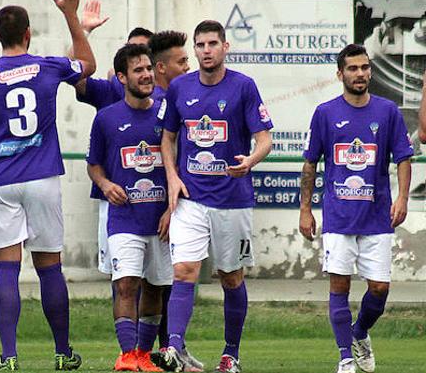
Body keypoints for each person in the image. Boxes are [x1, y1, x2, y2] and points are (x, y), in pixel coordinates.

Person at [0, 0, 96, 370]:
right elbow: (87, 65)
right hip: (42, 177)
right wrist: (71, 16)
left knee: (6, 270)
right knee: (49, 268)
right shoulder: (48, 65)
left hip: (0, 181)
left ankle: (9, 356)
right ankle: (62, 352)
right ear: (28, 34)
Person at [159, 20, 272, 373]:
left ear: (225, 47)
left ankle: (230, 354)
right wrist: (173, 178)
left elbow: (265, 138)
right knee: (184, 271)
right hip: (191, 198)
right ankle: (173, 349)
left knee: (231, 277)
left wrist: (251, 160)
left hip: (232, 199)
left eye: (212, 43)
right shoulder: (179, 88)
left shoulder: (244, 87)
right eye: (200, 45)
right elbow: (167, 138)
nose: (206, 50)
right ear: (194, 50)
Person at [299, 44, 413, 373]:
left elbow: (403, 157)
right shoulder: (325, 113)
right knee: (339, 286)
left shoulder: (388, 111)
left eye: (364, 67)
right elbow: (310, 164)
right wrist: (305, 209)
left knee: (379, 289)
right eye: (352, 68)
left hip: (377, 216)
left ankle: (360, 333)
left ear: (370, 71)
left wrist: (402, 197)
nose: (360, 73)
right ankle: (345, 358)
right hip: (338, 217)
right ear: (340, 74)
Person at [87, 43, 171, 372]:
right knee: (126, 283)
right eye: (138, 70)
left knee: (155, 287)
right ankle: (126, 355)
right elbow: (94, 165)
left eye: (149, 68)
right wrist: (106, 185)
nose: (147, 74)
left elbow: (176, 162)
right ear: (122, 77)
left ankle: (144, 356)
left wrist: (172, 206)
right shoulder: (107, 119)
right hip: (124, 221)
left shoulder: (166, 114)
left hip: (162, 220)